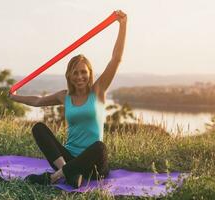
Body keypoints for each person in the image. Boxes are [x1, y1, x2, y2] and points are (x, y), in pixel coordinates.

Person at [9, 10, 127, 188]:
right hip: (68, 159)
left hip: (93, 165)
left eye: (83, 72)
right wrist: (16, 98)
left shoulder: (98, 91)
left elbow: (116, 59)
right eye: (75, 73)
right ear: (69, 76)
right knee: (39, 129)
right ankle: (68, 172)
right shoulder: (64, 96)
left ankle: (55, 177)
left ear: (89, 74)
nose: (80, 77)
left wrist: (122, 24)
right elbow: (38, 101)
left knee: (100, 147)